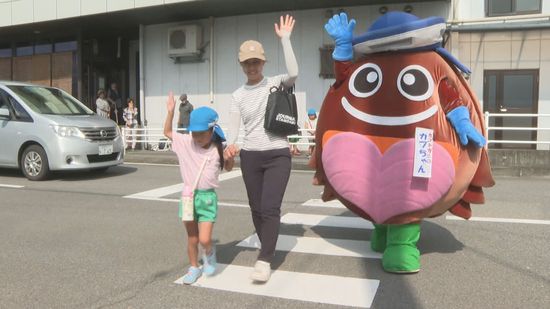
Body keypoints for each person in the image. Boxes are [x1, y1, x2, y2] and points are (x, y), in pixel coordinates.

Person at [224, 14, 298, 283]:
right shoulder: (237, 95)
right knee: (256, 208)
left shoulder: (276, 82)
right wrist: (230, 146)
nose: (252, 67)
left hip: (278, 153)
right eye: (247, 63)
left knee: (269, 208)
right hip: (251, 156)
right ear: (242, 65)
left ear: (263, 62)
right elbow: (233, 129)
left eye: (256, 62)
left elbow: (294, 73)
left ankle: (265, 258)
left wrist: (286, 40)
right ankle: (266, 241)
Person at [164, 91, 235, 285]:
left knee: (204, 239)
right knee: (192, 238)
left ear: (212, 131)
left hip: (207, 198)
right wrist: (170, 111)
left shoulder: (217, 149)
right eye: (194, 132)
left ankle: (209, 253)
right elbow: (168, 133)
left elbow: (228, 168)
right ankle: (194, 267)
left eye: (201, 133)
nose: (196, 137)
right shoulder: (186, 142)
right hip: (188, 197)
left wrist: (230, 158)